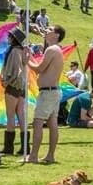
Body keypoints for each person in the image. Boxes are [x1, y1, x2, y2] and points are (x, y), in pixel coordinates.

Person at [25, 26, 65, 164]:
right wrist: (30, 56)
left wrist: (27, 61)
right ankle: (50, 155)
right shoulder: (56, 50)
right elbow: (43, 67)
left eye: (50, 29)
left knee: (38, 122)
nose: (47, 31)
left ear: (57, 35)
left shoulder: (51, 49)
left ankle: (33, 156)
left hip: (48, 92)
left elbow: (39, 69)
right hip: (53, 91)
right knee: (52, 123)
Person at [0, 27, 28, 155]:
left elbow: (16, 71)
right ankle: (25, 146)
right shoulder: (21, 51)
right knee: (21, 115)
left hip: (14, 85)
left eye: (10, 36)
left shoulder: (14, 52)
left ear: (13, 39)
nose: (8, 38)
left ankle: (9, 147)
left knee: (10, 115)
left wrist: (7, 82)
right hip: (22, 86)